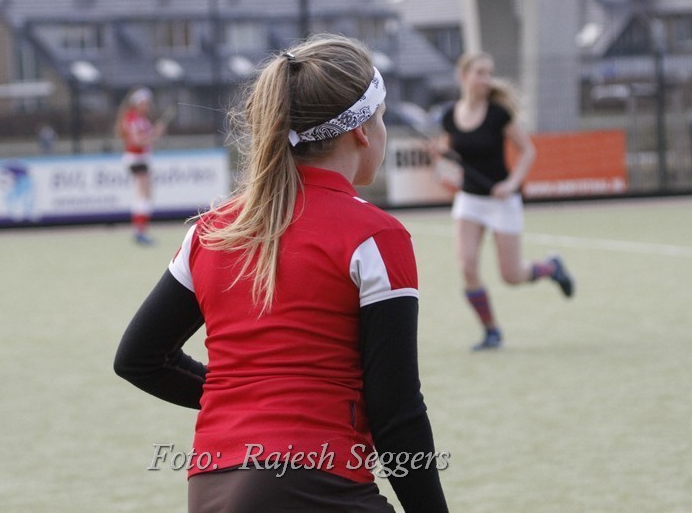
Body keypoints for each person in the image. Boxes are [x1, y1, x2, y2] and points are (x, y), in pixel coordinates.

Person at [114, 34, 448, 512]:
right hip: (315, 486)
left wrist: (248, 399)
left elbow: (138, 359)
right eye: (382, 116)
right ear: (361, 130)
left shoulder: (211, 232)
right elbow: (396, 412)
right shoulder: (375, 235)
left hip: (210, 491)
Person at [437, 52, 574, 351]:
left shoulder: (498, 114)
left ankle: (551, 268)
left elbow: (528, 151)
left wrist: (511, 184)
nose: (486, 79)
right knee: (467, 266)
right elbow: (446, 153)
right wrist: (444, 159)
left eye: (489, 73)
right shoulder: (449, 116)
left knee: (511, 276)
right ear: (463, 76)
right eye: (480, 73)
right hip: (469, 200)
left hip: (502, 202)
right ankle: (491, 332)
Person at [116, 87, 164, 245]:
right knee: (142, 195)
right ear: (137, 103)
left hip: (142, 158)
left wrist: (155, 134)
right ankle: (139, 231)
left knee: (145, 195)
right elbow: (137, 141)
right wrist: (154, 134)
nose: (147, 106)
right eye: (144, 103)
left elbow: (147, 141)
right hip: (136, 159)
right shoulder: (132, 118)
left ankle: (141, 229)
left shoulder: (142, 119)